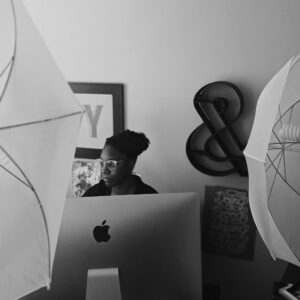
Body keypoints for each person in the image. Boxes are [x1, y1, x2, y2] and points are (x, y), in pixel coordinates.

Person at [83, 129, 157, 196]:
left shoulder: (150, 198)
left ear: (130, 163)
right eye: (102, 163)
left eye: (111, 164)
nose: (104, 171)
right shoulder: (94, 194)